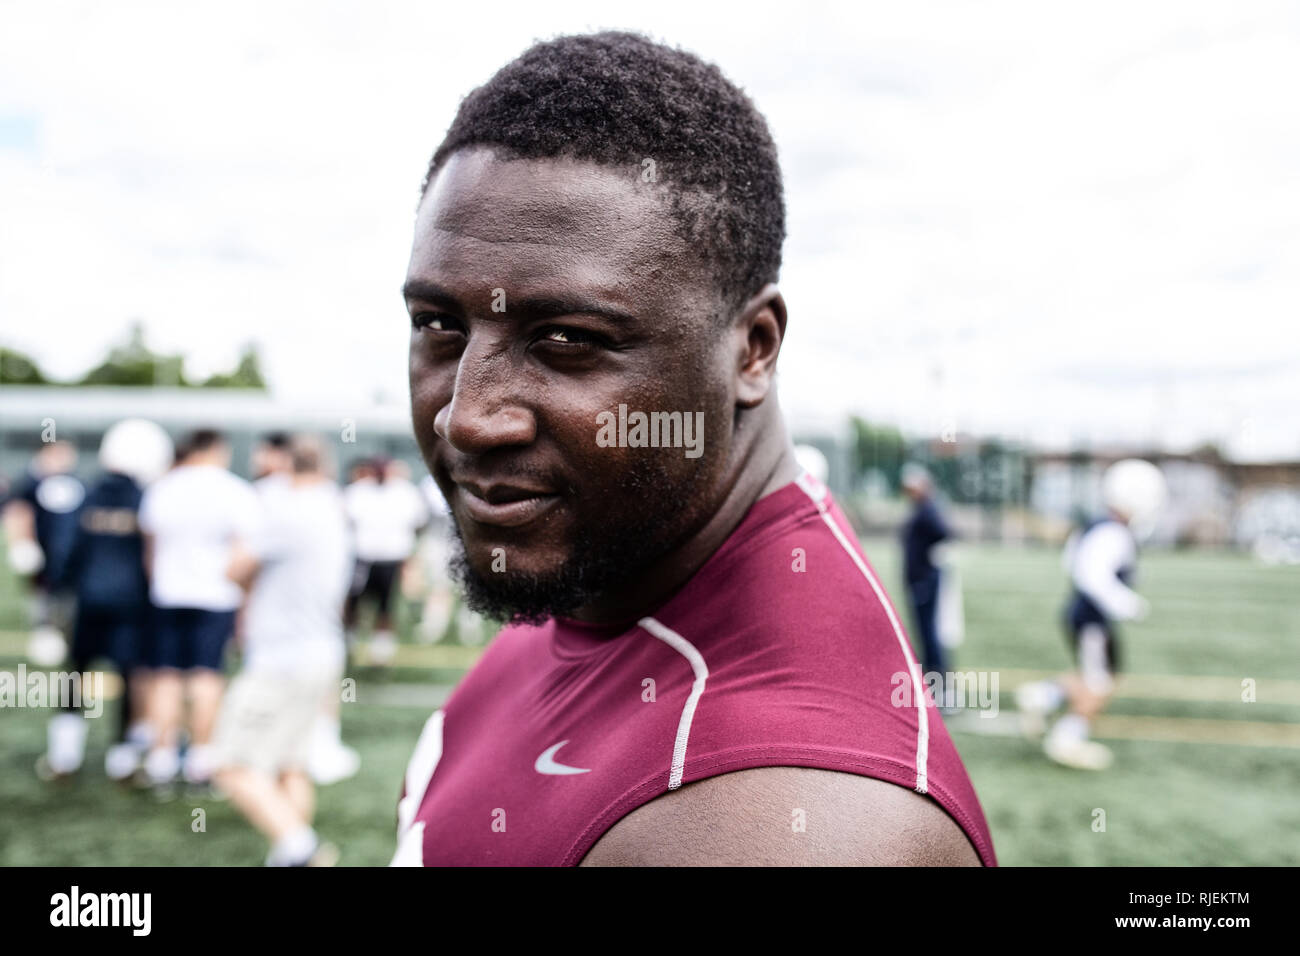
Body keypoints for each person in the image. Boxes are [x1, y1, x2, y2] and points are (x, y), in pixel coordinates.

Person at [393, 32, 995, 866]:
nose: (469, 416)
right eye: (438, 325)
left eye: (567, 339)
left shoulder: (798, 823)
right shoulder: (612, 562)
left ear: (752, 348)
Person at [214, 435, 348, 866]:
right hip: (320, 651)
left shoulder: (289, 511)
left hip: (280, 659)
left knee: (233, 766)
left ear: (287, 466)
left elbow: (235, 570)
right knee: (292, 765)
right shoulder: (333, 505)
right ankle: (290, 851)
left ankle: (303, 850)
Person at [38, 419, 174, 782]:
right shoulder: (148, 500)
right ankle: (123, 758)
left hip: (89, 602)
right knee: (129, 677)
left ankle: (64, 756)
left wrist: (58, 595)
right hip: (133, 605)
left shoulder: (87, 494)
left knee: (75, 674)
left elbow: (65, 553)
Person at [1016, 458, 1167, 770]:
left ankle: (1043, 696)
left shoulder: (1099, 526)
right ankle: (1066, 739)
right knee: (1099, 683)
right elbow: (1091, 575)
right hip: (1092, 618)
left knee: (1099, 675)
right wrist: (1126, 603)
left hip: (1085, 615)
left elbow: (1073, 562)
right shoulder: (1113, 532)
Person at [137, 429, 259, 791]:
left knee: (166, 677)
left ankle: (161, 759)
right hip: (215, 596)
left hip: (168, 593)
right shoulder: (234, 490)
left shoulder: (163, 488)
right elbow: (243, 553)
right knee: (206, 677)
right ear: (216, 449)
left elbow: (151, 550)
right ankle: (200, 760)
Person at [3, 440, 84, 667]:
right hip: (43, 559)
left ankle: (64, 645)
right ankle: (46, 639)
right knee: (43, 604)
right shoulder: (29, 483)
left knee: (67, 609)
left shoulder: (75, 483)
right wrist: (23, 544)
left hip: (70, 560)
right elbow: (18, 512)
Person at [342, 457, 428, 664]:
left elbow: (418, 522)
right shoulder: (358, 491)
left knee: (385, 607)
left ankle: (380, 653)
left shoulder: (405, 492)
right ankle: (349, 645)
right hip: (363, 558)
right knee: (354, 603)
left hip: (391, 559)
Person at [899, 463, 954, 679]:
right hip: (920, 580)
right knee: (925, 634)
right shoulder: (922, 508)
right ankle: (934, 680)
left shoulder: (927, 509)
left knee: (929, 634)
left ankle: (938, 683)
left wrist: (927, 560)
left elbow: (944, 532)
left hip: (924, 581)